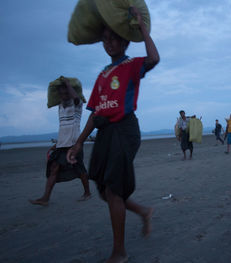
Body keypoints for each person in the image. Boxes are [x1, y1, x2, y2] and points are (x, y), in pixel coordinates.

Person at [67, 8, 159, 263]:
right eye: (105, 39)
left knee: (115, 191)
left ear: (124, 41)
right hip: (105, 132)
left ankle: (119, 252)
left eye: (114, 38)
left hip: (125, 130)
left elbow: (154, 58)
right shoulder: (101, 76)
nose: (109, 43)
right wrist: (78, 143)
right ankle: (143, 211)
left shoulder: (131, 66)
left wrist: (142, 27)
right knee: (106, 192)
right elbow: (95, 114)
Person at [29, 77, 91, 206]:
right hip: (62, 145)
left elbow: (76, 98)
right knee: (54, 169)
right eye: (61, 93)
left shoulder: (77, 105)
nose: (63, 96)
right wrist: (57, 144)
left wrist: (68, 85)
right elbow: (64, 128)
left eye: (66, 93)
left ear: (70, 92)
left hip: (74, 144)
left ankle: (87, 193)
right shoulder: (60, 107)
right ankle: (45, 198)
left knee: (80, 170)